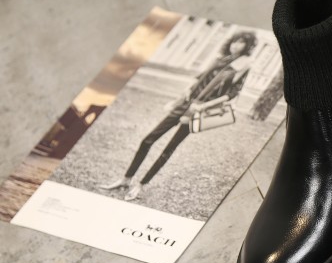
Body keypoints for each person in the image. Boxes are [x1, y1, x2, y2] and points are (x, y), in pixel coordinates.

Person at [101, 31, 257, 201]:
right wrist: (184, 93)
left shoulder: (242, 66)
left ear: (247, 46)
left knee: (169, 148)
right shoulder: (220, 59)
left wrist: (203, 106)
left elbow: (232, 94)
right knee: (148, 140)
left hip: (198, 110)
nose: (235, 45)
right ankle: (126, 179)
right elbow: (199, 79)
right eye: (234, 41)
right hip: (185, 103)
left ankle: (141, 185)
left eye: (241, 42)